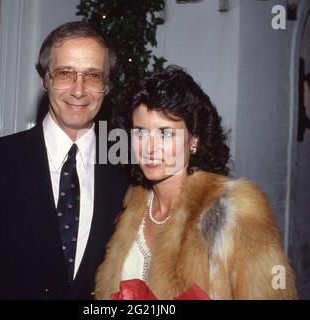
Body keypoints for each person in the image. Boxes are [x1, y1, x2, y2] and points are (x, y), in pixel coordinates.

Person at [0, 22, 128, 299]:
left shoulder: (124, 166)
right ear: (45, 79)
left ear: (107, 85)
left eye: (93, 76)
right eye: (64, 73)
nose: (78, 90)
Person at [95, 66, 298, 300]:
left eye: (166, 133)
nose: (150, 148)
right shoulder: (128, 210)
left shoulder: (234, 212)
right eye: (141, 133)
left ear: (194, 140)